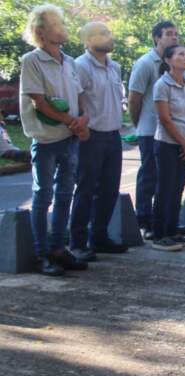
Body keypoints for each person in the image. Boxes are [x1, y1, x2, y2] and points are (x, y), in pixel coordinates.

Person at [19, 4, 90, 276]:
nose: (63, 29)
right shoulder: (32, 60)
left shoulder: (69, 61)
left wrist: (83, 118)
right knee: (43, 195)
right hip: (47, 139)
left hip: (70, 138)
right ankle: (42, 254)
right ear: (41, 32)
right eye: (57, 25)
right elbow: (38, 102)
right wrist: (72, 122)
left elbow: (80, 95)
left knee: (64, 195)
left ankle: (59, 248)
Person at [70, 22, 127, 263]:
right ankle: (77, 242)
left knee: (110, 189)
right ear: (88, 40)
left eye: (109, 33)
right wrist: (82, 129)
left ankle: (100, 236)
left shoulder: (113, 66)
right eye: (103, 34)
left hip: (114, 135)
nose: (109, 37)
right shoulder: (80, 66)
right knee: (86, 189)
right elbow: (75, 98)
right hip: (91, 136)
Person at [128, 20, 179, 238]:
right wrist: (139, 125)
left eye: (176, 34)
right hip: (150, 129)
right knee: (149, 175)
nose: (174, 37)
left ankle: (165, 220)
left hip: (170, 131)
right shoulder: (146, 63)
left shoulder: (173, 63)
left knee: (167, 178)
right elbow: (134, 98)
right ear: (157, 38)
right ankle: (143, 219)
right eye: (169, 34)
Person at [151, 44, 185, 252]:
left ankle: (172, 228)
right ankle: (160, 233)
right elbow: (165, 119)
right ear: (168, 60)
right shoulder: (162, 85)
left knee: (177, 188)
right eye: (180, 55)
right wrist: (184, 143)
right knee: (165, 188)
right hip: (168, 144)